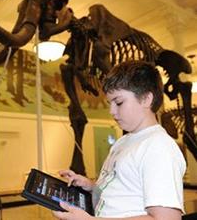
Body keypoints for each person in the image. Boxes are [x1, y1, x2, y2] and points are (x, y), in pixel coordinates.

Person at [53, 60, 186, 220]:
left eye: (119, 102)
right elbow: (122, 193)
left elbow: (167, 218)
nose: (112, 111)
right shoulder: (123, 141)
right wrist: (91, 187)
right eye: (110, 103)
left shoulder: (158, 147)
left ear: (146, 99)